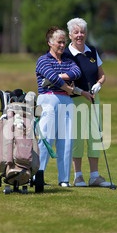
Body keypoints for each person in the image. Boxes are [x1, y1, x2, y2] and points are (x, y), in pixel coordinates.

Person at [63, 17, 114, 187]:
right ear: (70, 35)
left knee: (95, 136)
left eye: (82, 31)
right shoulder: (66, 54)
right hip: (75, 100)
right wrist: (80, 91)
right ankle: (78, 176)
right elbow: (65, 83)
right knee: (77, 137)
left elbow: (102, 73)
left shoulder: (92, 50)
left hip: (93, 99)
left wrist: (99, 84)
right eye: (76, 32)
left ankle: (94, 176)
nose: (80, 35)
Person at [35, 26, 82, 187]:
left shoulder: (69, 61)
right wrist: (67, 87)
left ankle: (64, 179)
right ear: (49, 42)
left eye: (64, 42)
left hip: (66, 103)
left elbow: (77, 73)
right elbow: (51, 77)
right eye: (59, 42)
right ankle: (37, 177)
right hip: (48, 101)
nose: (62, 45)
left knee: (67, 141)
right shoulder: (43, 60)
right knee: (45, 140)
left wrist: (58, 78)